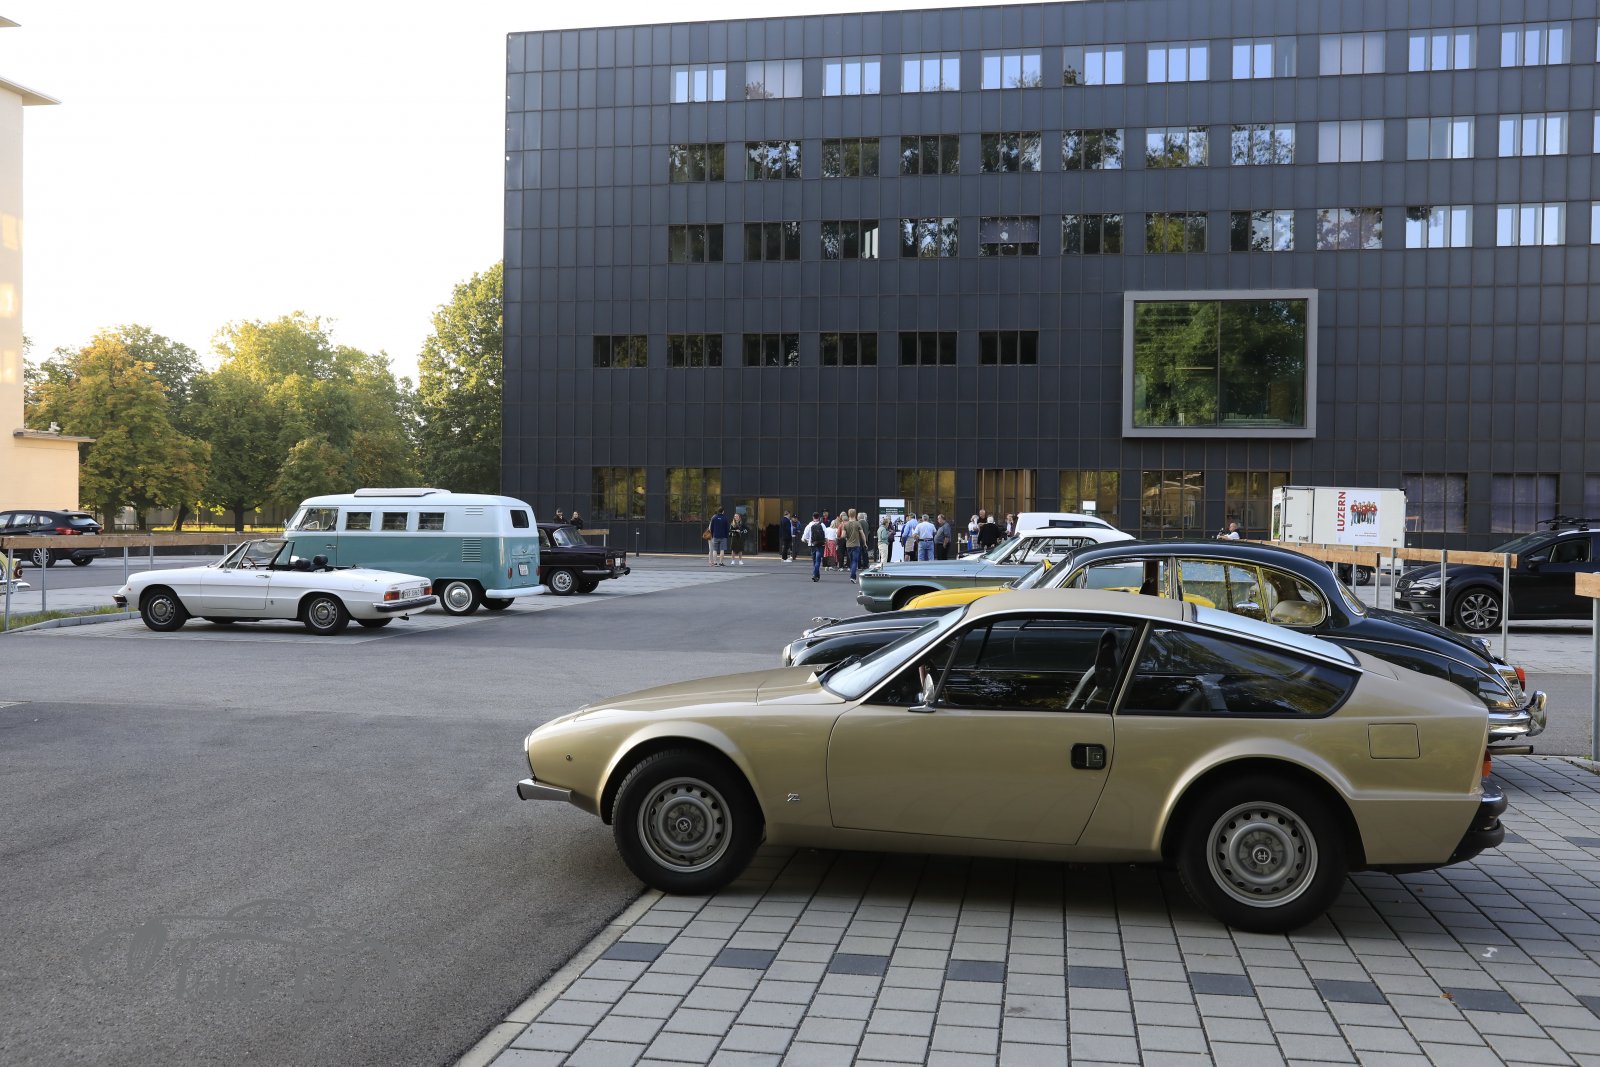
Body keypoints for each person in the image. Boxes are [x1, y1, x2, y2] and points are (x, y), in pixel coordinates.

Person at [802, 511, 827, 581]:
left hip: (812, 545)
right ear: (819, 517)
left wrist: (808, 541)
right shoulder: (822, 525)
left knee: (814, 561)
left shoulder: (809, 525)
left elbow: (804, 537)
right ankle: (816, 575)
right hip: (820, 544)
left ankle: (816, 575)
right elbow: (826, 534)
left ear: (813, 517)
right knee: (818, 561)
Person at [843, 508, 866, 582]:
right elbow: (862, 534)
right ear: (855, 514)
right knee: (854, 561)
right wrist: (865, 543)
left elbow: (843, 535)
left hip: (848, 545)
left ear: (848, 514)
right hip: (856, 545)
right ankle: (853, 576)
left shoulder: (845, 524)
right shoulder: (857, 523)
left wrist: (847, 538)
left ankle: (852, 575)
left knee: (851, 560)